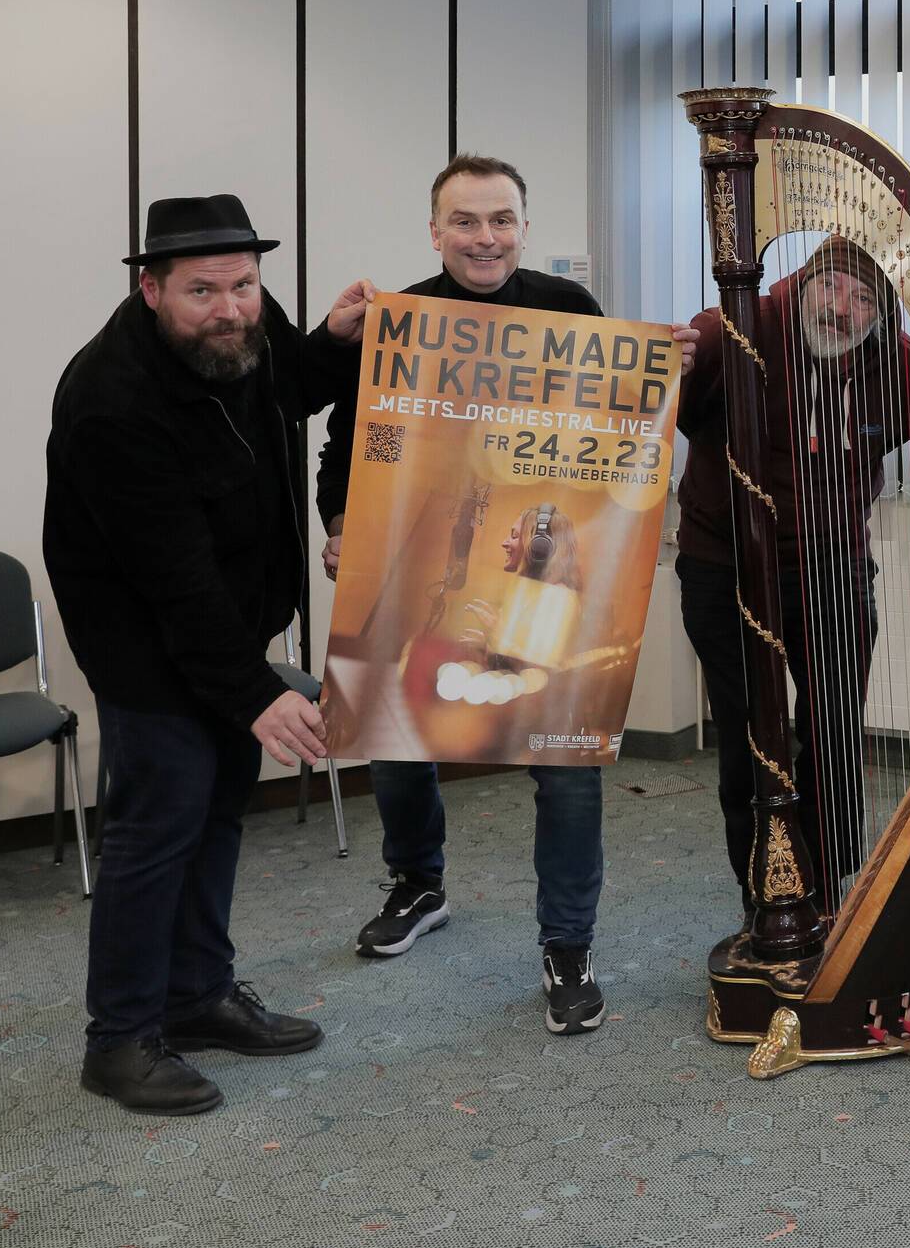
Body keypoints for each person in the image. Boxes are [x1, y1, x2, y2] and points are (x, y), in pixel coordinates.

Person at [316, 154, 694, 1036]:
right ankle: (418, 882)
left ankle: (568, 942)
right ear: (436, 228)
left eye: (501, 220)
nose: (484, 237)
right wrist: (341, 519)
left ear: (523, 225)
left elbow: (617, 435)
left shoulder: (571, 313)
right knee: (396, 732)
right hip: (429, 557)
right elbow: (350, 442)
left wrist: (661, 373)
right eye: (465, 221)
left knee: (565, 763)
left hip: (543, 563)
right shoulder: (399, 319)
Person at [44, 194, 373, 1114]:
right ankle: (118, 1038)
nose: (229, 307)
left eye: (245, 284)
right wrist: (255, 693)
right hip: (147, 642)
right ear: (151, 289)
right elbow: (172, 580)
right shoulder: (114, 399)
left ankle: (195, 993)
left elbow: (285, 390)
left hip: (227, 626)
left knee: (219, 811)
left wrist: (333, 343)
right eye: (202, 290)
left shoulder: (244, 339)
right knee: (157, 828)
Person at [677, 235, 910, 918]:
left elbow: (888, 432)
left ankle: (826, 890)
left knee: (833, 729)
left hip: (833, 565)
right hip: (723, 566)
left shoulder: (907, 371)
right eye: (831, 288)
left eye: (863, 301)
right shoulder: (729, 331)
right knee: (747, 735)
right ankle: (765, 892)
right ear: (804, 282)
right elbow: (662, 410)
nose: (842, 309)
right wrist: (660, 368)